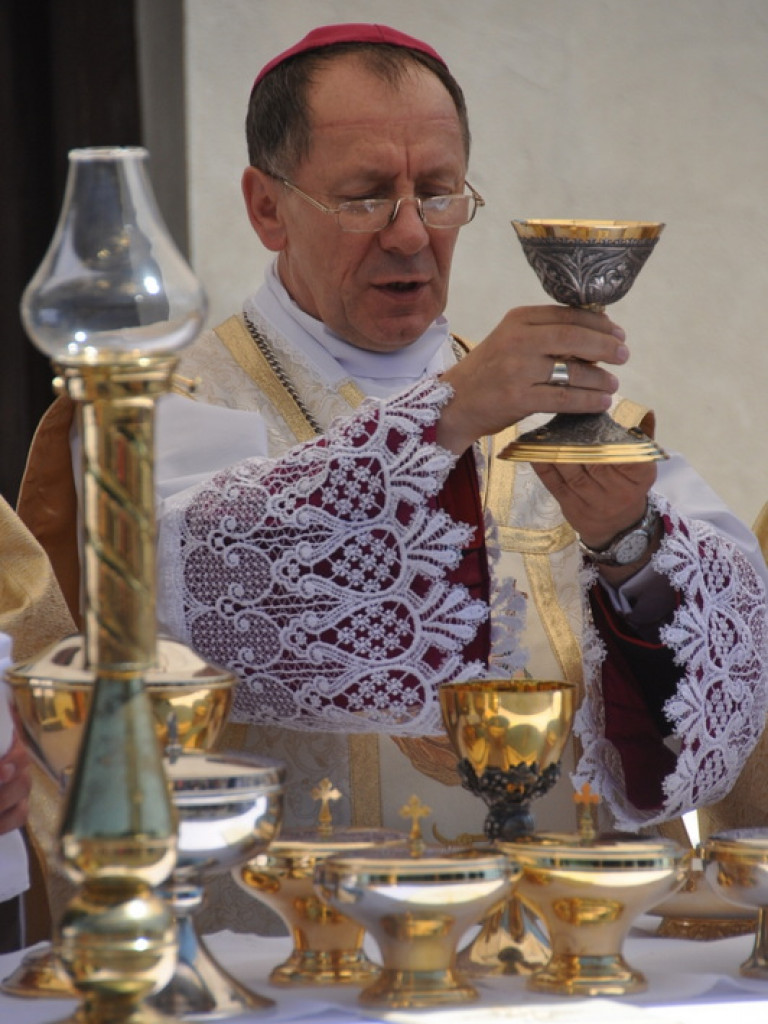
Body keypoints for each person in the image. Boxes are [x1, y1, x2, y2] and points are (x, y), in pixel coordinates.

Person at [19, 24, 768, 843]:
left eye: (440, 191)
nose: (411, 233)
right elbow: (178, 609)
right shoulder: (162, 409)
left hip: (565, 944)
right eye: (365, 194)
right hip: (288, 953)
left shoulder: (580, 429)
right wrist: (441, 419)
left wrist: (630, 549)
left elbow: (731, 667)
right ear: (267, 206)